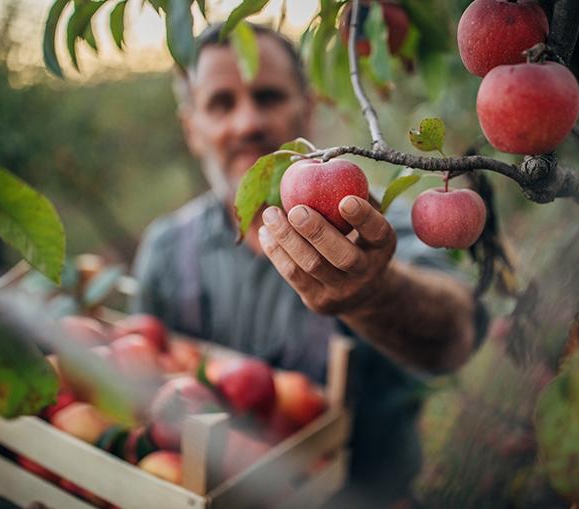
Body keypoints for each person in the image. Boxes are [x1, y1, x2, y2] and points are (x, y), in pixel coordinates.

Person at [131, 22, 487, 507]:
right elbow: (141, 390)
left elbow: (456, 338)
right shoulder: (166, 252)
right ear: (191, 128)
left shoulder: (373, 222)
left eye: (269, 96)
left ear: (309, 108)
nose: (247, 123)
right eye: (221, 103)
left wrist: (376, 293)